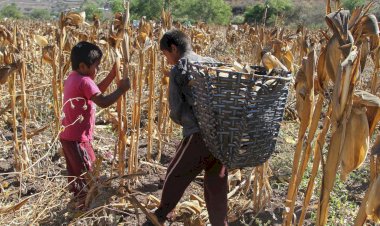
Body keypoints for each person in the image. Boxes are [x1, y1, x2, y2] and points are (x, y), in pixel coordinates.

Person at [145, 29, 228, 225]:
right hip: (221, 137)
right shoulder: (211, 62)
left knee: (175, 174)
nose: (166, 60)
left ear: (173, 48)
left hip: (198, 135)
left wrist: (186, 123)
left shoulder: (179, 69)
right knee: (217, 183)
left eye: (165, 54)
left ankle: (160, 216)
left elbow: (176, 109)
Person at [59, 41, 130, 206]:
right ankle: (86, 206)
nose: (97, 70)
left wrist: (113, 75)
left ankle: (79, 203)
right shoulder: (84, 81)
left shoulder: (73, 77)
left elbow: (94, 91)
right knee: (89, 173)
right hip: (79, 140)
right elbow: (103, 101)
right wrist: (121, 89)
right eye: (96, 67)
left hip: (68, 137)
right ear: (83, 66)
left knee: (77, 174)